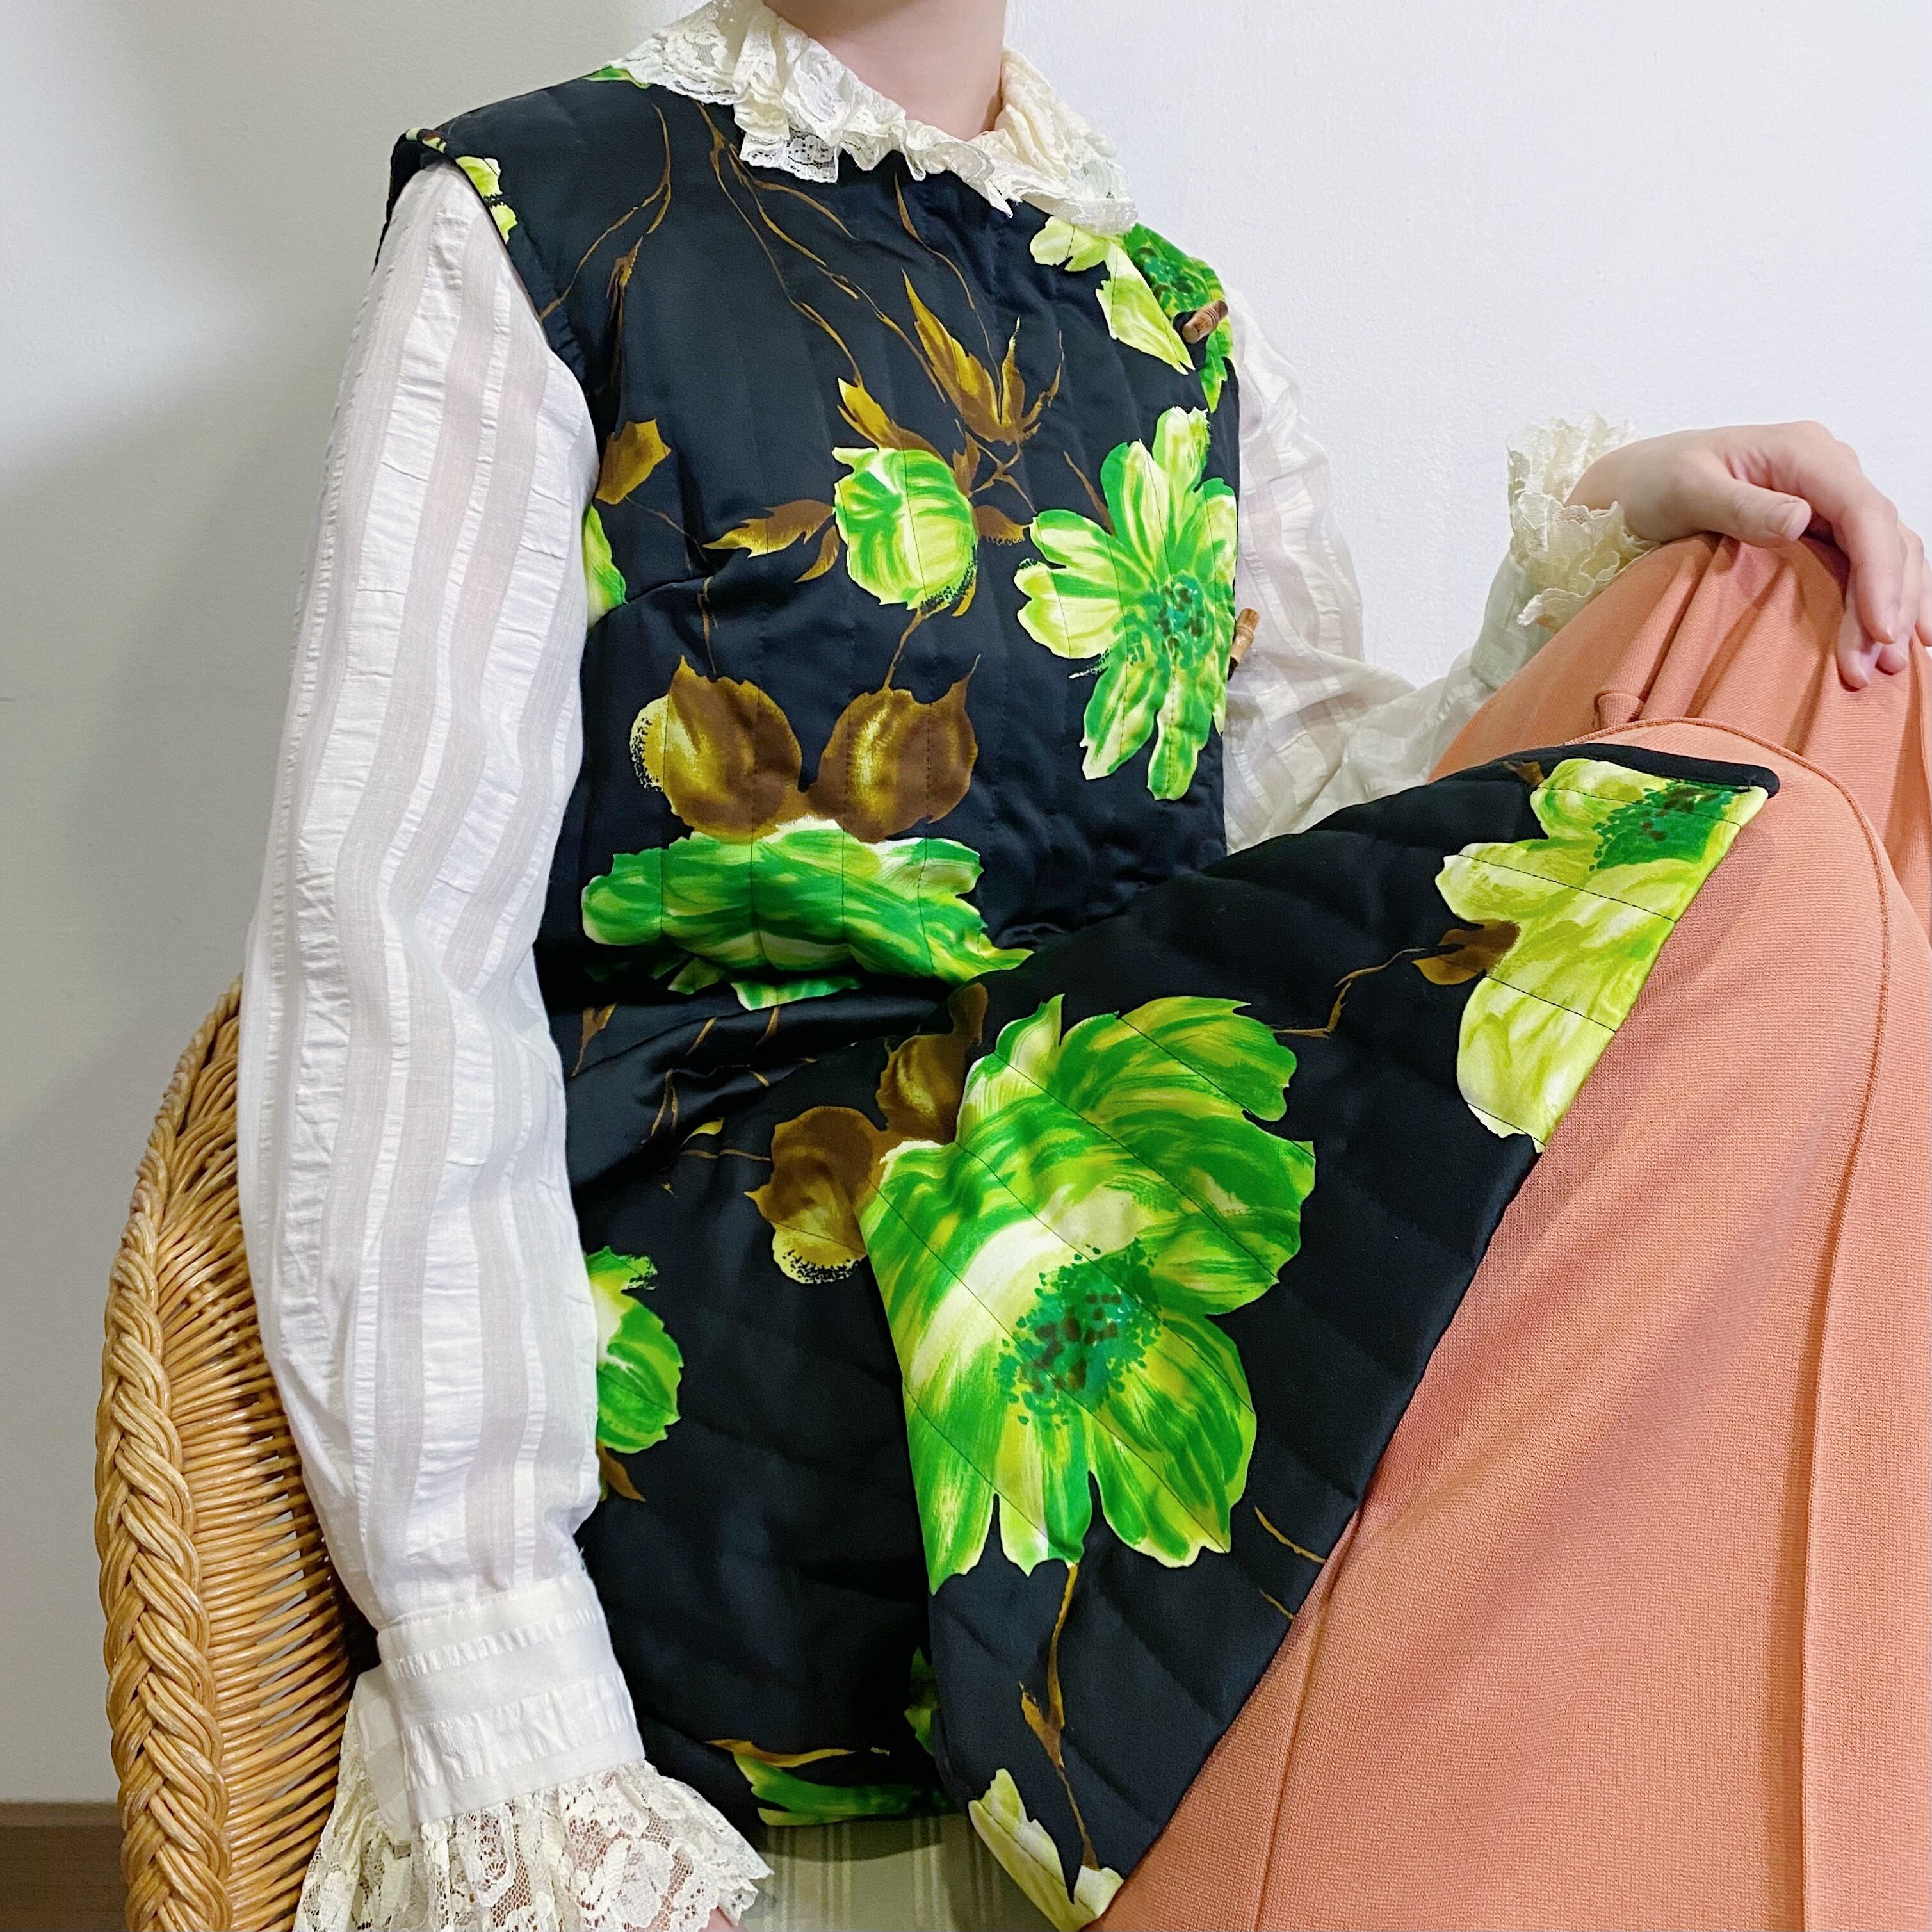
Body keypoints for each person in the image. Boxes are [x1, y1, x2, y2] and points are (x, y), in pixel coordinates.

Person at [234, 3, 1930, 1928]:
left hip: (1098, 1166)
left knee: (1786, 628)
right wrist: (491, 1670)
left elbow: (1301, 857)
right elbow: (387, 961)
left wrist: (1629, 547)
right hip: (774, 1299)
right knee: (1778, 872)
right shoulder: (540, 216)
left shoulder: (1171, 322)